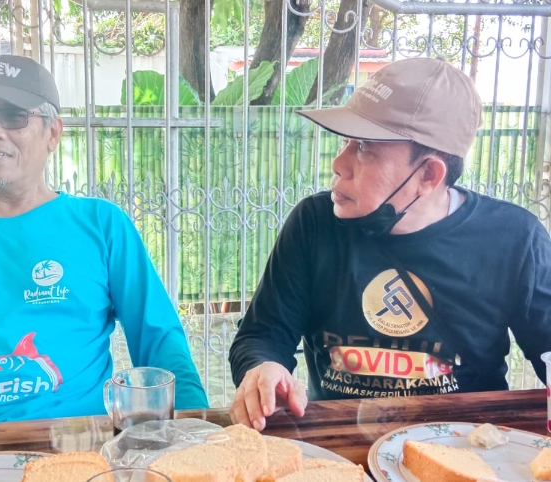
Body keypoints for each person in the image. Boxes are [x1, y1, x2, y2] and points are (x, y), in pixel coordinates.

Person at [0, 54, 208, 429]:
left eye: (13, 115)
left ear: (53, 133)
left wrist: (193, 429)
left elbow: (160, 339)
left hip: (77, 444)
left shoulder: (102, 226)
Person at [228, 57, 551, 430]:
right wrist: (263, 368)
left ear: (428, 175)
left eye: (364, 148)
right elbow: (262, 335)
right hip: (341, 444)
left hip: (468, 444)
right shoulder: (314, 224)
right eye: (346, 142)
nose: (338, 163)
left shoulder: (513, 238)